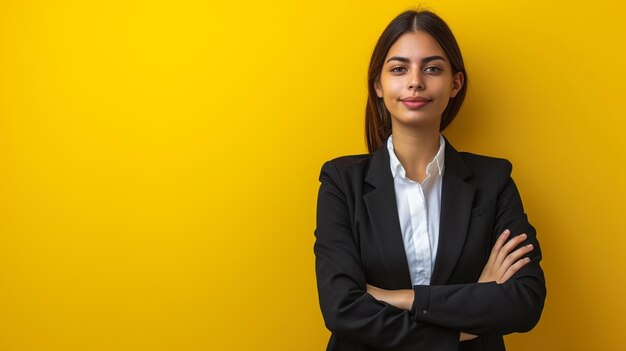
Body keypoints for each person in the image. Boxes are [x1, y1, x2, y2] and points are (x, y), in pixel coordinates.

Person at [313, 9, 546, 351]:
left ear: (455, 84)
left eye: (433, 68)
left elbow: (524, 301)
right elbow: (342, 309)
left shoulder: (494, 180)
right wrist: (467, 316)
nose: (415, 81)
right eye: (399, 68)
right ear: (378, 84)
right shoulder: (340, 181)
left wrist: (403, 298)